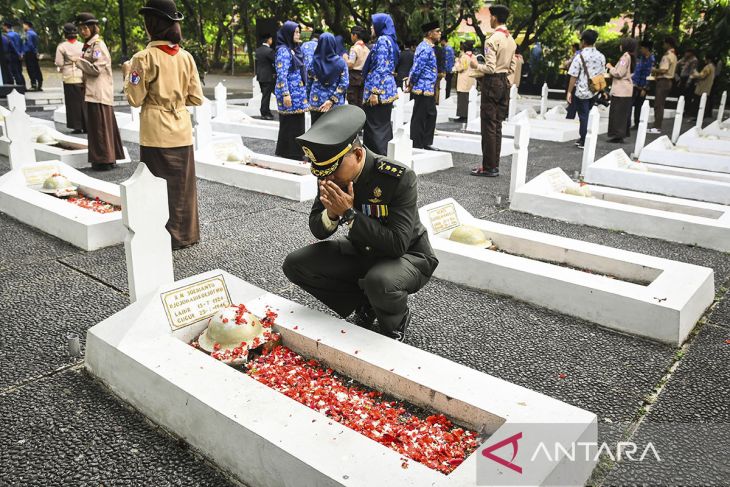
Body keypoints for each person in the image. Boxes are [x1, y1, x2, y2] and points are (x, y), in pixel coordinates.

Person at [282, 105, 438, 342]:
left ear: (356, 155)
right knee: (296, 264)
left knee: (380, 281)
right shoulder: (330, 173)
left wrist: (348, 214)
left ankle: (395, 320)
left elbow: (397, 244)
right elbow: (317, 228)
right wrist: (332, 215)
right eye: (322, 174)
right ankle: (363, 302)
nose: (327, 179)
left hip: (408, 256)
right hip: (362, 249)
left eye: (333, 171)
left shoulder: (396, 177)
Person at [122, 0, 204, 250]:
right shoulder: (186, 56)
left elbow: (135, 98)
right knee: (183, 186)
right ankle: (185, 235)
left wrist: (128, 74)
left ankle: (164, 235)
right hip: (181, 128)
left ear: (151, 25)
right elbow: (196, 97)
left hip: (156, 129)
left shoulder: (142, 58)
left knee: (157, 185)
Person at [469, 5, 516, 177]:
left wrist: (475, 65)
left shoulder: (491, 40)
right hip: (504, 82)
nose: (490, 20)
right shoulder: (511, 40)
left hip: (492, 82)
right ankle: (493, 165)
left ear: (494, 18)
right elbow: (512, 67)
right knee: (497, 126)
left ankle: (488, 167)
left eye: (490, 17)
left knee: (488, 125)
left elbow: (489, 67)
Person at [74, 13, 125, 170]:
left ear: (93, 27)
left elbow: (96, 69)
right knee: (100, 126)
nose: (83, 31)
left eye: (86, 28)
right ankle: (107, 158)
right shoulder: (90, 45)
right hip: (94, 91)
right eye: (81, 28)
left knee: (100, 127)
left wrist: (78, 61)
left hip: (99, 92)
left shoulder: (98, 46)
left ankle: (104, 160)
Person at [361, 13, 399, 155]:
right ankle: (382, 157)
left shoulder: (383, 40)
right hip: (386, 89)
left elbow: (381, 67)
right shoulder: (390, 40)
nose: (371, 27)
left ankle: (377, 159)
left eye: (373, 24)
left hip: (379, 91)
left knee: (375, 127)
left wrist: (375, 92)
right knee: (382, 126)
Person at [274, 21, 310, 160]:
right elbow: (281, 74)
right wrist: (285, 94)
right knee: (291, 123)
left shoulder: (293, 49)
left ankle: (290, 151)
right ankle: (291, 152)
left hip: (297, 93)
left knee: (296, 122)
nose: (298, 34)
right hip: (289, 94)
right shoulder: (283, 50)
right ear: (288, 33)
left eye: (298, 31)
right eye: (295, 32)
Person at [566, 29, 605, 149]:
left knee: (583, 116)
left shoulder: (580, 56)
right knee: (589, 113)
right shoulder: (601, 56)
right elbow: (602, 73)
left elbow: (573, 75)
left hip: (582, 91)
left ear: (583, 41)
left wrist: (569, 91)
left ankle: (584, 139)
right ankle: (584, 137)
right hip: (595, 90)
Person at [407, 21, 440, 151]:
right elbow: (417, 68)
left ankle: (425, 142)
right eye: (437, 31)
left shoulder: (428, 47)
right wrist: (411, 82)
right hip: (422, 88)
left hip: (428, 88)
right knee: (420, 116)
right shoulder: (425, 48)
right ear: (430, 33)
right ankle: (417, 143)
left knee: (430, 114)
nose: (439, 33)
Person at [308, 33, 348, 124]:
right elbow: (344, 83)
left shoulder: (313, 62)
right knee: (333, 133)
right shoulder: (341, 62)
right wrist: (331, 100)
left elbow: (309, 83)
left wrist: (308, 99)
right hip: (335, 105)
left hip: (316, 102)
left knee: (316, 132)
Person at [55, 23, 86, 133]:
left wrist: (62, 67)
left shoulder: (62, 47)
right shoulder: (83, 45)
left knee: (72, 103)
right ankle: (87, 125)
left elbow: (59, 63)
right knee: (84, 101)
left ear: (65, 34)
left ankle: (77, 126)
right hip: (82, 74)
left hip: (69, 76)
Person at [606, 37, 635, 143]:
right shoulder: (629, 57)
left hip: (620, 90)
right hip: (625, 90)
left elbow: (619, 73)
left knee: (617, 113)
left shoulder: (624, 57)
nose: (620, 45)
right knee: (623, 113)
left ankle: (618, 135)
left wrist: (610, 67)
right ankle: (620, 134)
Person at [649, 36, 677, 134]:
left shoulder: (667, 56)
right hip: (668, 81)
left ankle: (657, 127)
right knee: (660, 104)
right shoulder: (674, 55)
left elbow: (664, 69)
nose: (663, 45)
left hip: (664, 81)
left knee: (658, 104)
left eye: (664, 43)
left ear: (668, 44)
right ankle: (657, 126)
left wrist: (654, 70)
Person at [631, 40, 654, 129]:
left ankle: (638, 124)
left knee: (639, 105)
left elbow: (650, 75)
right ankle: (636, 123)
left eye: (642, 48)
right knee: (636, 105)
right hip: (637, 84)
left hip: (643, 86)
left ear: (646, 49)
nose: (641, 50)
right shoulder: (642, 58)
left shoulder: (651, 60)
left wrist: (645, 88)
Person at [452, 40, 476, 122]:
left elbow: (460, 68)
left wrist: (456, 62)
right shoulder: (473, 56)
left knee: (462, 99)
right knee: (467, 99)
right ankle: (466, 115)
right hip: (471, 80)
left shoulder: (464, 57)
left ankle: (463, 116)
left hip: (463, 80)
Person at [346, 26, 369, 107]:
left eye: (351, 35)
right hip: (363, 77)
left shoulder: (354, 48)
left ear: (355, 35)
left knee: (353, 102)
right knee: (361, 102)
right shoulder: (366, 48)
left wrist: (345, 59)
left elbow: (351, 64)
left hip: (354, 78)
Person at [689, 54, 716, 123]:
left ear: (709, 59)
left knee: (698, 102)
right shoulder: (713, 67)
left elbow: (702, 76)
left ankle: (697, 117)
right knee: (703, 102)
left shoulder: (708, 67)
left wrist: (695, 74)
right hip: (707, 87)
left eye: (705, 58)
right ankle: (700, 117)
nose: (704, 60)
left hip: (702, 87)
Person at [254, 33, 275, 120]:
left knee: (264, 95)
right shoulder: (269, 51)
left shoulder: (258, 50)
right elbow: (275, 62)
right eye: (271, 39)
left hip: (260, 76)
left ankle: (267, 111)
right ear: (269, 40)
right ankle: (265, 113)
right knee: (266, 95)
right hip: (268, 76)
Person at [2, 21, 25, 89]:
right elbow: (21, 44)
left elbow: (12, 46)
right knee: (19, 71)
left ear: (6, 26)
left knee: (14, 71)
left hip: (12, 55)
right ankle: (23, 85)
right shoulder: (17, 34)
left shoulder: (7, 36)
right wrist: (21, 53)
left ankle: (18, 86)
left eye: (3, 26)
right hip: (18, 55)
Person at [22, 20, 42, 91]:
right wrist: (36, 52)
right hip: (33, 53)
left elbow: (30, 44)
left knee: (31, 69)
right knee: (36, 68)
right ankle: (39, 84)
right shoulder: (34, 33)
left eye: (24, 25)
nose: (23, 27)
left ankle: (34, 84)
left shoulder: (28, 34)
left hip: (29, 53)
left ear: (27, 25)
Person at [564, 43, 581, 119]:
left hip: (574, 77)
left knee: (572, 96)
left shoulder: (577, 54)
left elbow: (568, 63)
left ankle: (570, 113)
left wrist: (569, 91)